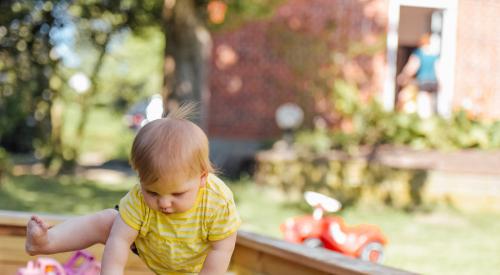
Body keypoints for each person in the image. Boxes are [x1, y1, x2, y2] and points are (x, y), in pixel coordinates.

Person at [25, 104, 241, 275]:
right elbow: (118, 242)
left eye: (177, 194)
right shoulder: (138, 199)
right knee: (109, 221)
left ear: (202, 178)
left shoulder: (217, 202)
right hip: (151, 245)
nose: (164, 203)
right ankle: (47, 241)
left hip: (195, 264)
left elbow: (221, 249)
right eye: (153, 192)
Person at [397, 33, 440, 118]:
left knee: (423, 102)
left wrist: (404, 75)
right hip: (433, 81)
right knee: (430, 102)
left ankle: (424, 120)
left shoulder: (419, 53)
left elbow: (412, 66)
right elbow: (438, 68)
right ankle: (430, 118)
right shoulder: (434, 55)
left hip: (423, 80)